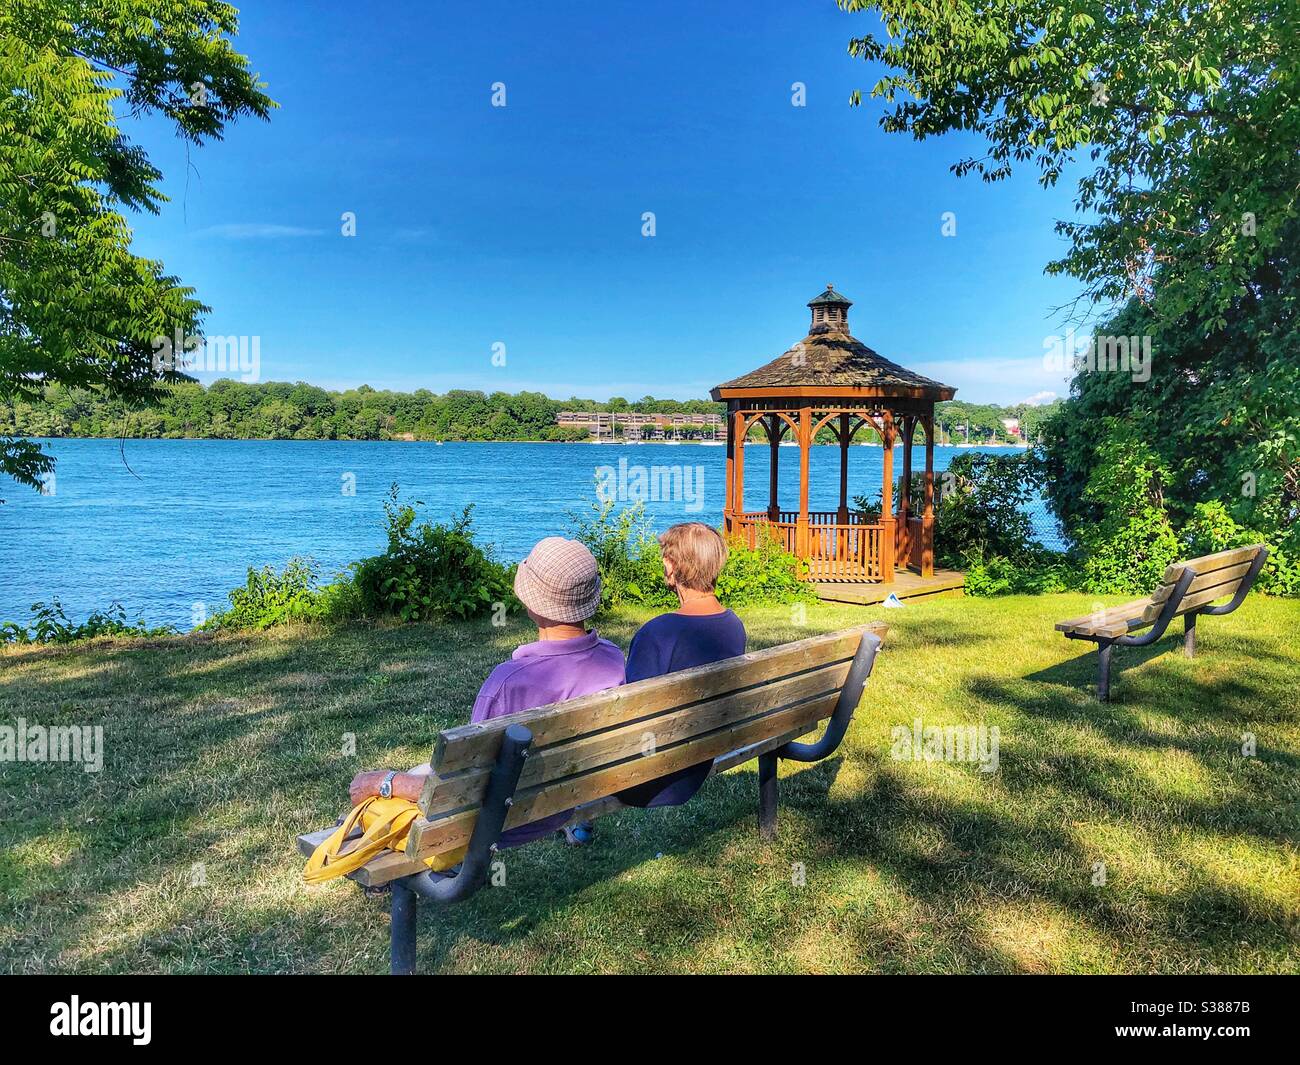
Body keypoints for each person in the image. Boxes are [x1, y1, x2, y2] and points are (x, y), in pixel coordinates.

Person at [348, 536, 624, 850]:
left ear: (533, 602)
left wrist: (386, 782)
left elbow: (464, 784)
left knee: (392, 784)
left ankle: (394, 882)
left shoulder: (509, 682)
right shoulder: (612, 658)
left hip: (507, 823)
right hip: (571, 797)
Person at [615, 522, 746, 808]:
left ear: (671, 566)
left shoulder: (657, 633)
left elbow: (632, 715)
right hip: (697, 762)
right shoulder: (734, 626)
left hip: (648, 780)